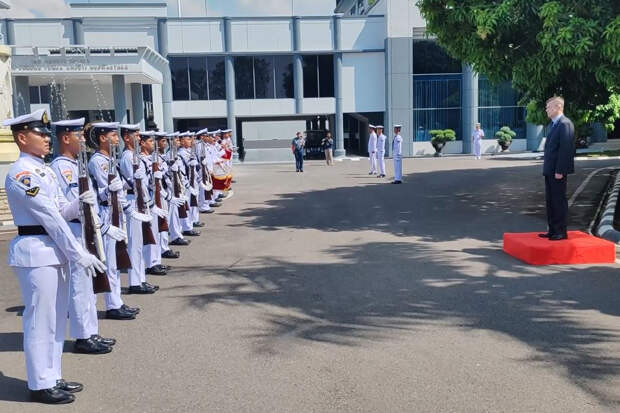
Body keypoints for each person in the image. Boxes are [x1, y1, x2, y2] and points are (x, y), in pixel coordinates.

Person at [3, 109, 105, 404]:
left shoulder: (44, 170)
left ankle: (52, 374)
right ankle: (39, 383)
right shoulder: (21, 174)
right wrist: (78, 254)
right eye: (40, 133)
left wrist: (78, 204)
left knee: (57, 319)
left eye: (47, 133)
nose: (48, 138)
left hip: (53, 251)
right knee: (40, 320)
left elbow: (60, 210)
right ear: (22, 138)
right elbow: (48, 216)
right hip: (36, 251)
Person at [49, 118, 115, 355]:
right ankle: (82, 336)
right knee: (79, 285)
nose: (83, 140)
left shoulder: (75, 163)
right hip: (76, 229)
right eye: (78, 135)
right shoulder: (62, 166)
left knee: (88, 285)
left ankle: (90, 331)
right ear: (66, 138)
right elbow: (70, 204)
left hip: (87, 227)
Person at [87, 121, 141, 319]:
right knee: (110, 262)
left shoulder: (108, 159)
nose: (116, 139)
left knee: (116, 260)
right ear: (102, 138)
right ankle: (113, 305)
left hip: (115, 211)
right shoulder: (98, 161)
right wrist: (111, 190)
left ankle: (116, 301)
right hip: (106, 214)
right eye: (113, 136)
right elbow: (102, 193)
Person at [119, 124, 159, 293]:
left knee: (140, 243)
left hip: (140, 200)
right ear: (126, 138)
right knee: (134, 244)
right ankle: (135, 282)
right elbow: (134, 183)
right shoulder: (128, 157)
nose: (138, 137)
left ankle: (140, 279)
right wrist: (148, 203)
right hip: (133, 201)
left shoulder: (134, 155)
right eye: (134, 134)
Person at [539, 96, 575, 241]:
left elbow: (565, 150)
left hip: (557, 171)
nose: (546, 109)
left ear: (558, 107)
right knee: (551, 200)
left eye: (549, 107)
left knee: (558, 200)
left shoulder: (565, 124)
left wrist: (560, 170)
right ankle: (552, 230)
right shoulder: (554, 124)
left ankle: (561, 231)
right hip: (550, 170)